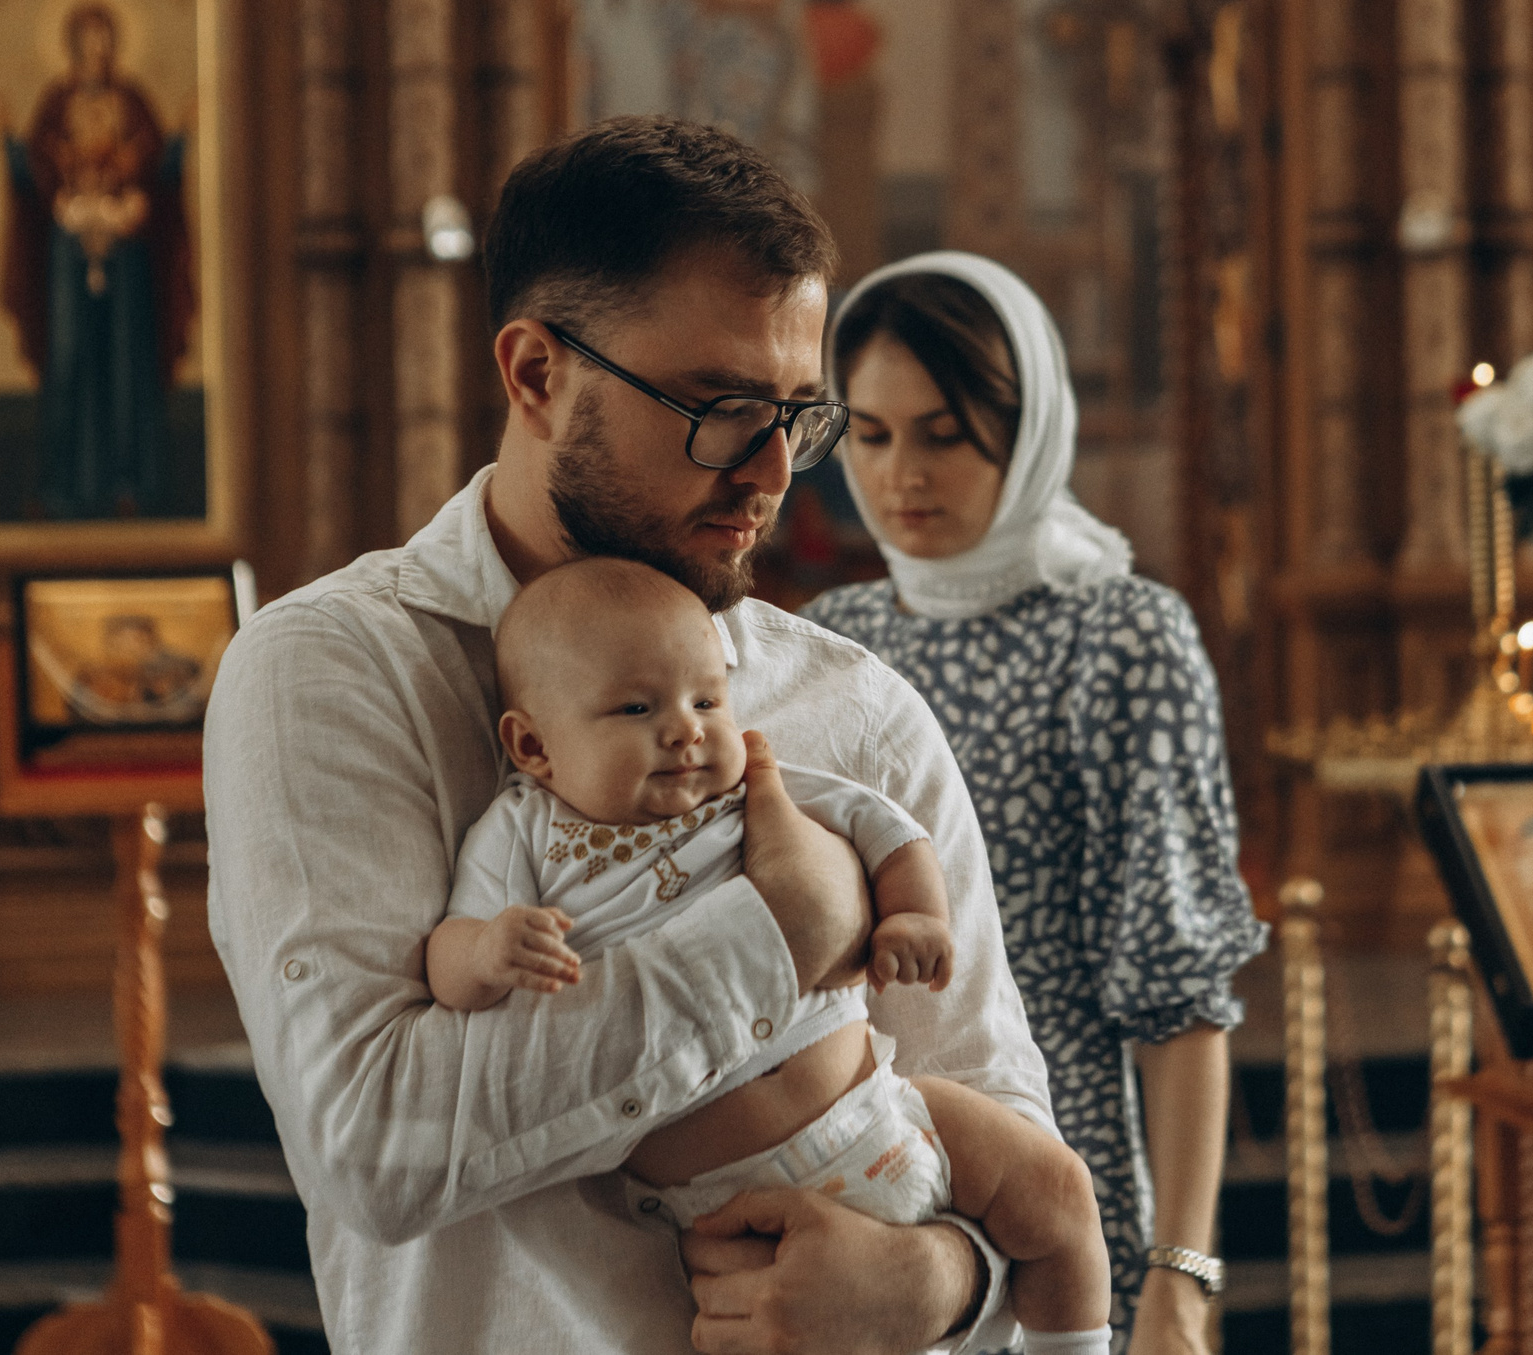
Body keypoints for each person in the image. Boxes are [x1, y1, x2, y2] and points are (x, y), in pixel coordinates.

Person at [205, 117, 1052, 1354]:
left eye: (797, 416)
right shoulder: (334, 672)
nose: (772, 474)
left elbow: (1001, 1130)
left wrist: (937, 1285)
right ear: (536, 373)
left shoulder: (858, 711)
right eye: (716, 409)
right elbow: (374, 1148)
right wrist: (778, 935)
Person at [430, 559, 1111, 1354]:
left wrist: (915, 914)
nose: (686, 728)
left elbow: (887, 826)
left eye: (707, 699)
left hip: (887, 1111)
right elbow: (448, 959)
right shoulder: (525, 834)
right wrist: (487, 948)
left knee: (1059, 1188)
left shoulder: (755, 782)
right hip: (734, 1210)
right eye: (638, 707)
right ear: (534, 744)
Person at [805, 254, 1267, 1352]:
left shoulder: (1120, 638)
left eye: (944, 433)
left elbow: (1178, 996)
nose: (899, 473)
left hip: (1056, 1196)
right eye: (868, 435)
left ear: (1027, 431)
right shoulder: (831, 639)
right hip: (847, 1180)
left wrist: (1178, 1278)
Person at [0, 0, 196, 521]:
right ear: (73, 46)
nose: (96, 50)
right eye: (87, 40)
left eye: (104, 39)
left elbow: (159, 175)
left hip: (127, 254)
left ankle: (133, 483)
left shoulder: (133, 101)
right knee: (70, 362)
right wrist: (11, 145)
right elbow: (36, 179)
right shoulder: (56, 102)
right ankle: (65, 487)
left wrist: (178, 144)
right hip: (68, 253)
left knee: (127, 363)